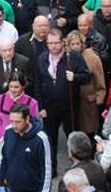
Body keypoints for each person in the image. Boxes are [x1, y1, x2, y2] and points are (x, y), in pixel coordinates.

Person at [33, 28, 90, 177]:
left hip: (69, 104)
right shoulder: (42, 59)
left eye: (56, 43)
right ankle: (51, 169)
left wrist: (75, 77)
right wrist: (41, 106)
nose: (53, 46)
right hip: (49, 106)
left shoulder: (73, 57)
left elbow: (87, 76)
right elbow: (37, 84)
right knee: (50, 139)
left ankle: (77, 167)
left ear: (62, 42)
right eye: (50, 43)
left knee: (72, 137)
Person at [0, 103, 51, 192]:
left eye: (18, 122)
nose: (14, 125)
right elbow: (4, 159)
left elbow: (47, 170)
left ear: (27, 119)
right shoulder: (8, 132)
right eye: (11, 121)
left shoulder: (41, 139)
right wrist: (1, 182)